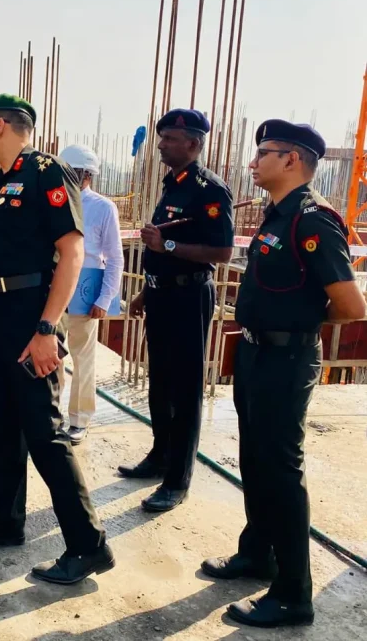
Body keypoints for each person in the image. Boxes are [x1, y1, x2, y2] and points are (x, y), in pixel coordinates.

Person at [201, 120, 365, 628]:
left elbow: (350, 304)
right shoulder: (278, 216)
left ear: (292, 159)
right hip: (254, 356)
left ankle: (294, 593)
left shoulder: (312, 221)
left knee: (280, 472)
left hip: (286, 360)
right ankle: (258, 554)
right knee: (254, 459)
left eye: (263, 153)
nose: (253, 162)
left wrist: (298, 323)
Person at [0, 94, 114, 586]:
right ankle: (5, 522)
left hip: (29, 319)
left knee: (45, 434)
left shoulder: (47, 171)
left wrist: (47, 330)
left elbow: (72, 253)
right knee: (1, 426)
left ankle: (88, 545)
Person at [119, 108, 234, 513]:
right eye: (161, 137)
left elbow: (221, 251)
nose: (161, 144)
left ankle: (177, 479)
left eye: (169, 138)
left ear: (193, 143)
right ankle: (159, 456)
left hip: (188, 299)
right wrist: (145, 293)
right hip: (163, 296)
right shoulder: (172, 184)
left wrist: (166, 248)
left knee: (184, 390)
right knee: (160, 383)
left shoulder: (209, 190)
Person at [57, 144, 124, 444]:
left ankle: (79, 419)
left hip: (86, 290)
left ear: (86, 175)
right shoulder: (54, 201)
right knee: (53, 356)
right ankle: (53, 413)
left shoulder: (102, 208)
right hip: (56, 288)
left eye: (71, 172)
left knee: (83, 359)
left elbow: (115, 258)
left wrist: (104, 299)